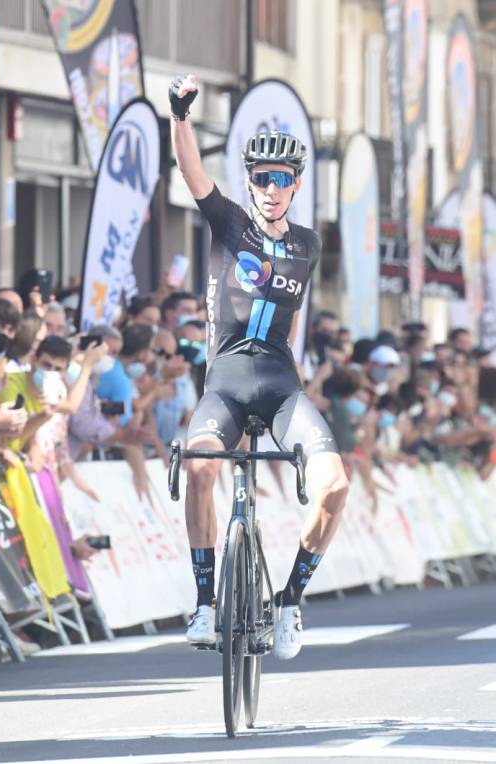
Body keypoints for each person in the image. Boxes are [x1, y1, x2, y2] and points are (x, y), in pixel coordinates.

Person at [170, 73, 349, 660]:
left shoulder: (307, 244)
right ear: (249, 181)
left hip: (278, 386)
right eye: (261, 178)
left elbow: (291, 318)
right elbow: (192, 170)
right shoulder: (229, 222)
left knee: (336, 486)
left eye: (282, 180)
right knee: (199, 470)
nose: (271, 188)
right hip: (224, 382)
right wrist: (180, 115)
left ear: (296, 186)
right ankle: (204, 600)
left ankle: (291, 599)